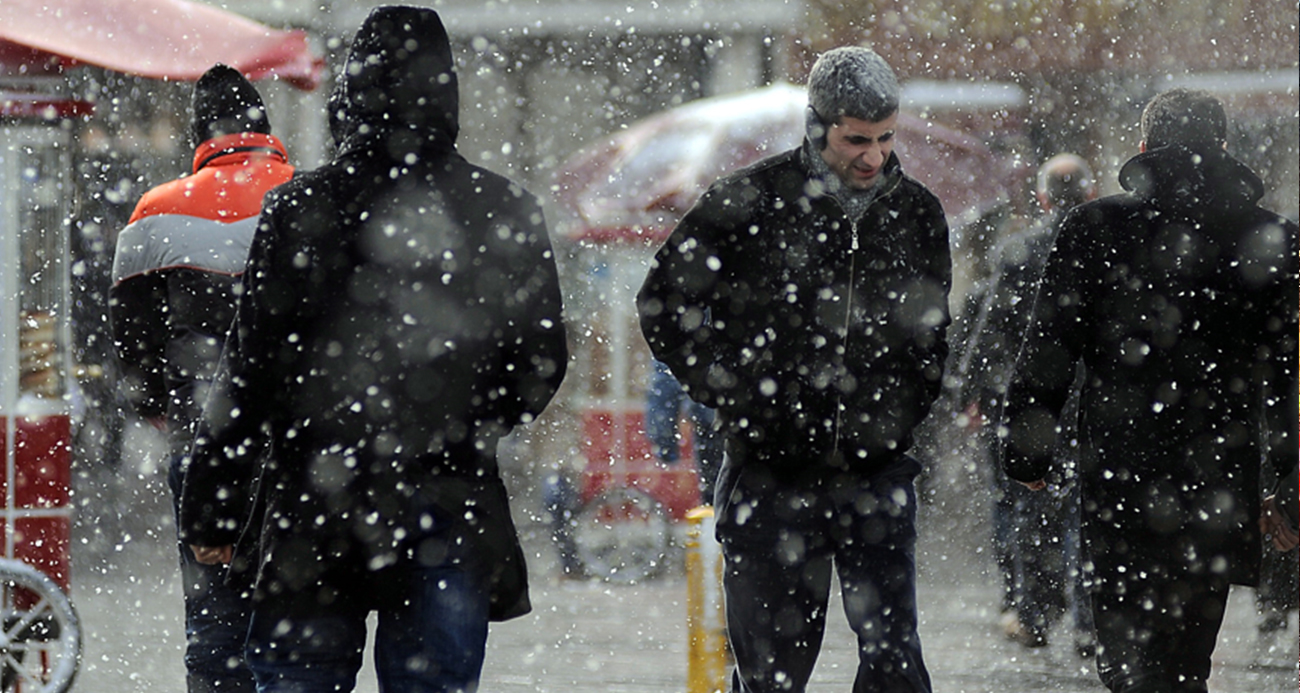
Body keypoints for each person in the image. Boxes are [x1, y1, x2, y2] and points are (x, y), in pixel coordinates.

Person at [178, 6, 568, 692]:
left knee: (299, 675)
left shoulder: (300, 208)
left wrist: (215, 504)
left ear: (354, 93)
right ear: (446, 90)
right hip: (448, 495)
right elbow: (540, 360)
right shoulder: (501, 209)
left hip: (314, 507)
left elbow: (250, 370)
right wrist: (469, 420)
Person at [639, 46, 950, 693]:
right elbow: (664, 302)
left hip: (877, 472)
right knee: (772, 672)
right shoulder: (750, 200)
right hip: (771, 474)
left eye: (886, 138)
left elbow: (931, 334)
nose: (874, 156)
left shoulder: (916, 213)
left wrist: (902, 409)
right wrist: (738, 393)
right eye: (857, 139)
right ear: (819, 126)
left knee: (896, 665)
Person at [1001, 88, 1298, 693]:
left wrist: (1029, 445)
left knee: (1129, 663)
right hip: (1219, 478)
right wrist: (1287, 481)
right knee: (1187, 660)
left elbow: (1050, 347)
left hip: (1121, 471)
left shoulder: (1095, 227)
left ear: (1142, 148)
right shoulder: (1270, 238)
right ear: (1221, 147)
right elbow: (1286, 376)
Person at [110, 63, 293, 693]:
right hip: (300, 444)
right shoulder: (305, 195)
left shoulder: (155, 211)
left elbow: (131, 342)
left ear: (200, 134)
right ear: (264, 127)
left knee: (215, 617)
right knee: (298, 623)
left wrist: (162, 410)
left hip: (202, 437)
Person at [957, 154, 1097, 651]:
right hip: (1086, 400)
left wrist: (971, 389)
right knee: (1086, 510)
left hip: (1028, 402)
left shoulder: (1018, 250)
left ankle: (1033, 613)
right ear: (1088, 194)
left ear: (1041, 198)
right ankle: (1088, 621)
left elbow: (993, 326)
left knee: (1028, 507)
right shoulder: (1103, 248)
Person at [646, 359, 724, 504]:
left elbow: (664, 385)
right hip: (760, 422)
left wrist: (665, 443)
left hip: (711, 426)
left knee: (717, 498)